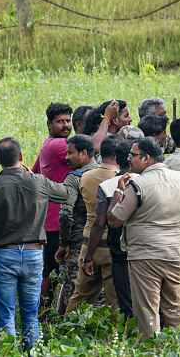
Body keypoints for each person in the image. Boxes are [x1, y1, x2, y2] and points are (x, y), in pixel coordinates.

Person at [0, 137, 68, 350]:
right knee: (31, 314)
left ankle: (8, 352)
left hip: (5, 255)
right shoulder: (39, 182)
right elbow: (65, 194)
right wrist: (34, 175)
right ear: (22, 157)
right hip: (34, 254)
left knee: (6, 314)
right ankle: (31, 351)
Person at [108, 137, 180, 339]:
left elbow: (114, 219)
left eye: (133, 155)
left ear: (146, 158)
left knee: (148, 311)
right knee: (176, 309)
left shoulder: (138, 185)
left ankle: (151, 349)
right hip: (175, 253)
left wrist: (118, 191)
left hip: (144, 255)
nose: (129, 159)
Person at [65, 136, 122, 312]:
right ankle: (115, 336)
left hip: (88, 241)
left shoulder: (86, 177)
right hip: (111, 244)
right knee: (114, 300)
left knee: (80, 295)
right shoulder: (120, 179)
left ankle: (67, 327)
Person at [31, 102, 73, 309]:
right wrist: (107, 121)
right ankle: (46, 312)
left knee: (48, 270)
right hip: (57, 221)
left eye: (68, 121)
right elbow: (93, 148)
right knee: (53, 271)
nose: (65, 125)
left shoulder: (47, 144)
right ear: (49, 124)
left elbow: (34, 172)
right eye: (59, 122)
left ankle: (43, 311)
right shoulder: (59, 145)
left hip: (48, 220)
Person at [88, 140, 134, 317]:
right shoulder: (146, 181)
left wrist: (89, 255)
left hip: (119, 250)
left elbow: (100, 223)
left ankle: (127, 330)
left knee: (124, 297)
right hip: (145, 248)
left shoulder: (108, 186)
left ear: (117, 159)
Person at [56, 134, 98, 314]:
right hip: (103, 243)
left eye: (70, 153)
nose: (66, 157)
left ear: (84, 153)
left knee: (73, 290)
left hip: (78, 244)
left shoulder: (74, 178)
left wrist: (64, 242)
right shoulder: (108, 173)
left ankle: (67, 328)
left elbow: (66, 213)